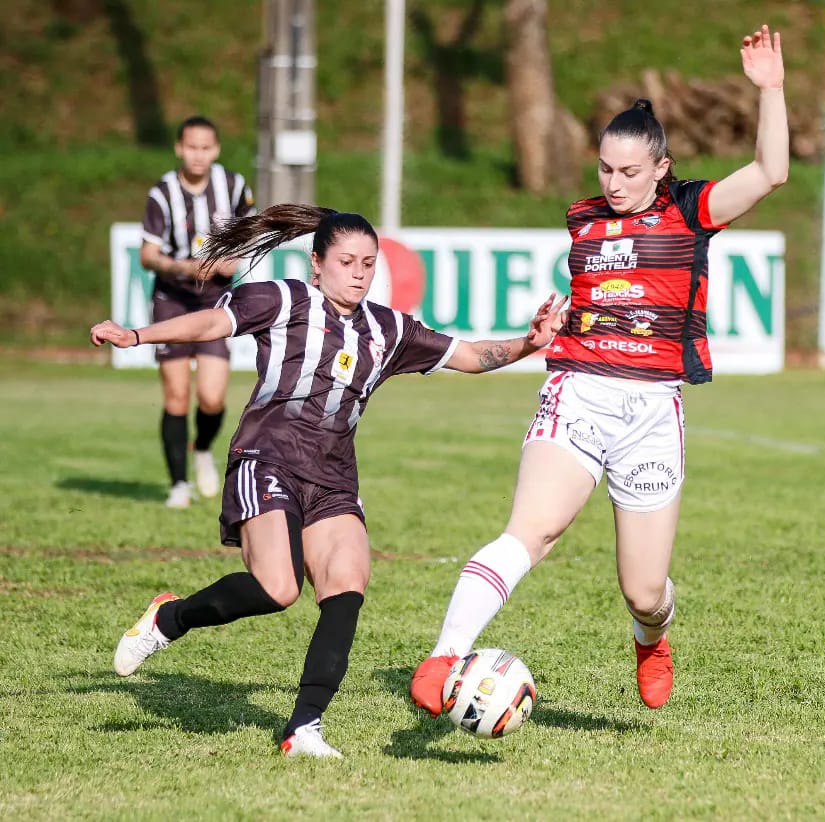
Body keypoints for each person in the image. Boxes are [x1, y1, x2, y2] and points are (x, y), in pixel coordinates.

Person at [91, 205, 567, 758]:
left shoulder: (389, 330)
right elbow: (212, 323)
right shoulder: (283, 299)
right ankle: (170, 618)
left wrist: (529, 344)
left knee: (346, 586)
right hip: (265, 460)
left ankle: (303, 729)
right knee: (278, 588)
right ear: (318, 265)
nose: (359, 273)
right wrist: (137, 334)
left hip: (334, 478)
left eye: (368, 263)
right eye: (346, 262)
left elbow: (470, 356)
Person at [410, 25, 788, 713]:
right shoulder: (583, 222)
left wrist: (771, 92)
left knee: (645, 590)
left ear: (662, 168)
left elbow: (770, 173)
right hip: (577, 392)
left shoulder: (690, 211)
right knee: (532, 531)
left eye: (630, 172)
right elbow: (595, 299)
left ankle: (652, 638)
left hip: (652, 410)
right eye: (605, 169)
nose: (613, 184)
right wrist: (550, 329)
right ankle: (442, 659)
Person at [140, 115, 256, 509]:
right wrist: (184, 267)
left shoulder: (234, 186)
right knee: (176, 394)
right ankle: (178, 484)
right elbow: (148, 255)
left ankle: (202, 448)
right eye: (191, 147)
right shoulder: (162, 192)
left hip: (214, 300)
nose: (198, 155)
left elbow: (248, 239)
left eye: (206, 148)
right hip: (173, 298)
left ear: (217, 149)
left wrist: (230, 261)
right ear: (179, 148)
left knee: (211, 396)